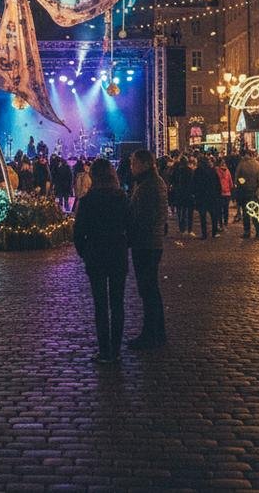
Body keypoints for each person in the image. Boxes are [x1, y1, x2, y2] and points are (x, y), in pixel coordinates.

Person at [73, 158, 129, 363]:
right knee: (117, 303)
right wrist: (124, 244)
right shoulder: (121, 198)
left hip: (96, 254)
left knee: (100, 305)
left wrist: (85, 252)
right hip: (117, 253)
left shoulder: (89, 200)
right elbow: (131, 226)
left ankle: (104, 349)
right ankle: (116, 349)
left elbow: (79, 232)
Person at [126, 148, 168, 350]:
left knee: (148, 289)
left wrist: (130, 233)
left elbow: (144, 218)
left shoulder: (149, 186)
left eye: (134, 163)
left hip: (147, 243)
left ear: (144, 164)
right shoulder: (152, 182)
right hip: (151, 242)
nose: (131, 167)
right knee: (150, 289)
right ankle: (156, 331)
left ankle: (152, 333)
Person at [234, 149, 259, 238]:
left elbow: (237, 178)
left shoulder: (241, 164)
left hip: (244, 192)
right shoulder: (257, 164)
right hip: (255, 192)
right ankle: (258, 231)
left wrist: (243, 184)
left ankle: (247, 232)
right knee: (256, 212)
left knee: (246, 213)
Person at [192, 155, 221, 239]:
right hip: (212, 196)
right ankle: (214, 232)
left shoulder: (198, 171)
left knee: (203, 216)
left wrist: (194, 194)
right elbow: (217, 184)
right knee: (213, 215)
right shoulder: (212, 171)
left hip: (202, 196)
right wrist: (218, 194)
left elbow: (194, 184)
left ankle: (204, 234)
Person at [170, 156, 195, 235]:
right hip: (188, 194)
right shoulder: (190, 171)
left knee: (181, 212)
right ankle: (189, 229)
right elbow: (192, 182)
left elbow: (172, 181)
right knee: (189, 212)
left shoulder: (176, 171)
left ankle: (182, 228)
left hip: (179, 193)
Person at [215, 157, 234, 227]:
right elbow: (230, 182)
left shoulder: (216, 171)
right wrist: (231, 188)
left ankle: (220, 223)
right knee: (226, 209)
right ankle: (225, 222)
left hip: (220, 192)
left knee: (219, 209)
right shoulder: (227, 171)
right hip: (227, 193)